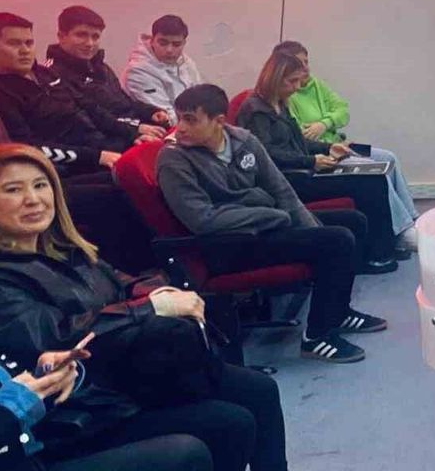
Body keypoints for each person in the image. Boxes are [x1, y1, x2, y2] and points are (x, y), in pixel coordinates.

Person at [0, 143, 289, 471]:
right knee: (228, 424)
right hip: (87, 399)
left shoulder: (69, 250)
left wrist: (159, 292)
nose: (33, 199)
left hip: (132, 367)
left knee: (259, 390)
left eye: (40, 185)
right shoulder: (4, 277)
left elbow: (122, 283)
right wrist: (151, 307)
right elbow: (57, 337)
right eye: (13, 190)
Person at [158, 84, 389, 362]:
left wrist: (308, 228)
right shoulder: (173, 160)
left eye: (190, 120)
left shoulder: (243, 141)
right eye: (179, 118)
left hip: (263, 227)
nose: (180, 128)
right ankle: (317, 337)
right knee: (336, 241)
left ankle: (337, 312)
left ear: (218, 121)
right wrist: (272, 216)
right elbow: (202, 220)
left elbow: (281, 190)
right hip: (226, 244)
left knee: (352, 222)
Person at [0, 14, 158, 272]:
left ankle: (158, 264)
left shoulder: (45, 73)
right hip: (58, 173)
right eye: (15, 43)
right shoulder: (4, 93)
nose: (25, 50)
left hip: (96, 150)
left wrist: (132, 132)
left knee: (149, 171)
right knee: (117, 192)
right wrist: (96, 156)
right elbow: (28, 149)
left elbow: (90, 108)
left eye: (29, 42)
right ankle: (126, 275)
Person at [237, 52, 402, 270]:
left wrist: (327, 148)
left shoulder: (280, 103)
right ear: (275, 78)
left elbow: (298, 141)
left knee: (375, 178)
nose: (297, 87)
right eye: (292, 81)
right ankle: (374, 256)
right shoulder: (255, 110)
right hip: (286, 181)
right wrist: (311, 161)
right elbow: (267, 154)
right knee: (368, 183)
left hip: (301, 170)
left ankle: (381, 250)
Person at [274, 40, 419, 244]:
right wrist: (326, 135)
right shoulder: (287, 96)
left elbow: (343, 111)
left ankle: (411, 220)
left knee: (389, 157)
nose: (305, 68)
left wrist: (324, 124)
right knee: (376, 170)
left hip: (341, 145)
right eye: (299, 64)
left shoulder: (317, 85)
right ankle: (401, 232)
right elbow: (301, 137)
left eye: (306, 61)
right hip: (324, 155)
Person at [0, 350, 213, 471]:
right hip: (23, 454)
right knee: (187, 453)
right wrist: (18, 402)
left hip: (42, 439)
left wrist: (46, 381)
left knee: (219, 420)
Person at [45, 6, 170, 129]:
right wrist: (135, 129)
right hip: (107, 139)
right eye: (81, 35)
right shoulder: (50, 75)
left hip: (128, 131)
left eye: (95, 37)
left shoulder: (101, 67)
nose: (89, 43)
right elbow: (85, 123)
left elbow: (123, 103)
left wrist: (150, 112)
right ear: (61, 36)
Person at [122, 15, 203, 120]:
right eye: (163, 43)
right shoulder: (137, 71)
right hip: (157, 127)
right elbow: (165, 117)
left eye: (176, 44)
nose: (169, 50)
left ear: (184, 43)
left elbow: (201, 99)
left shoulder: (186, 62)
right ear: (152, 41)